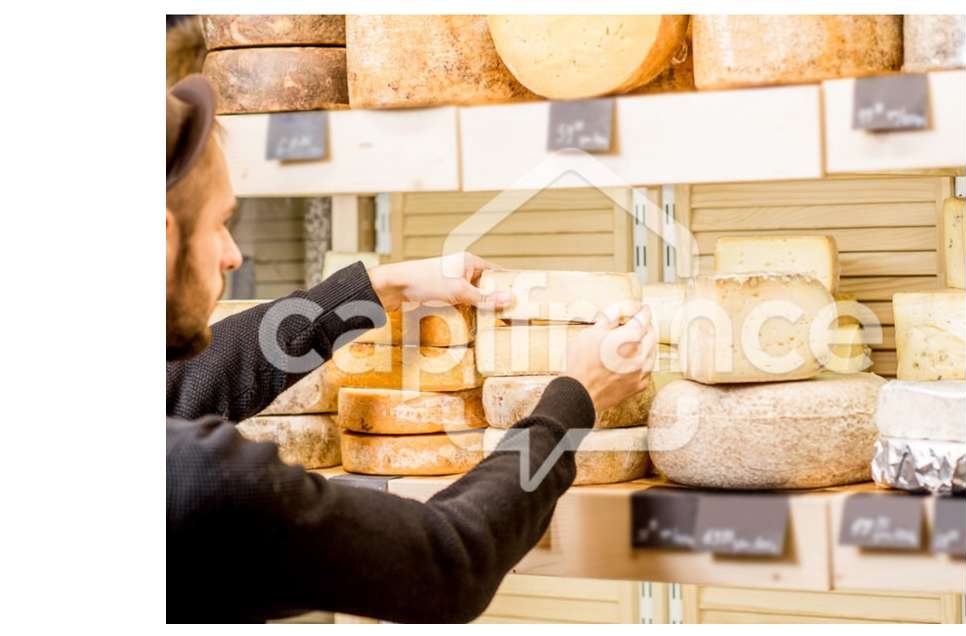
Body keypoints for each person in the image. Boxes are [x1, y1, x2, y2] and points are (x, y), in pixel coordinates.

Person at [165, 75, 657, 623]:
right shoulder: (197, 478)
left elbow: (190, 382)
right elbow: (446, 559)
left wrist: (383, 288)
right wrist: (573, 400)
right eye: (220, 224)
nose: (232, 255)